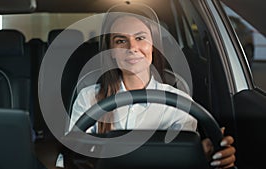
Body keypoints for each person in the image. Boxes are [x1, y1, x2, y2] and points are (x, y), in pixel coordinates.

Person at [69, 3, 236, 169]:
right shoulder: (88, 98)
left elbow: (182, 161)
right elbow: (71, 158)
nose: (132, 48)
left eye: (140, 38)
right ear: (111, 51)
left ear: (153, 46)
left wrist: (206, 156)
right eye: (121, 40)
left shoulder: (179, 103)